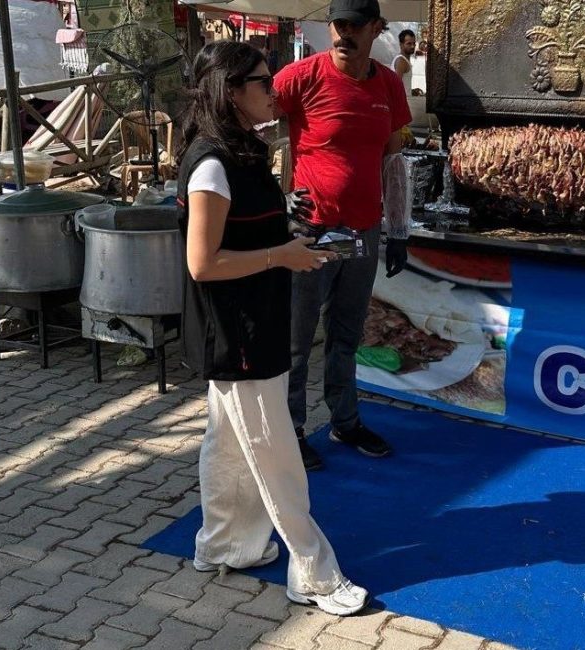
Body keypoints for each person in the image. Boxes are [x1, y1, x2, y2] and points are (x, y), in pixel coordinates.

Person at [177, 40, 367, 616]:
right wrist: (280, 257)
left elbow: (249, 234)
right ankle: (312, 572)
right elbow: (202, 263)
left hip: (255, 316)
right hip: (236, 329)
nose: (275, 89)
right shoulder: (211, 163)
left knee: (231, 442)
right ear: (231, 91)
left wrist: (291, 238)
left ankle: (222, 545)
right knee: (275, 450)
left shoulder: (245, 151)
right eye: (264, 81)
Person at [274, 0, 413, 471]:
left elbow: (393, 161)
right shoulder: (301, 76)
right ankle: (289, 429)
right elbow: (243, 121)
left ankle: (345, 420)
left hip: (363, 230)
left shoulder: (389, 84)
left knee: (347, 334)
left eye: (355, 26)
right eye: (338, 25)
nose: (344, 34)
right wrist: (276, 192)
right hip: (311, 230)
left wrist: (397, 229)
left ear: (376, 28)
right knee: (295, 338)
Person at [392, 29, 415, 96]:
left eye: (414, 43)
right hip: (402, 102)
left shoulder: (403, 60)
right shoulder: (401, 61)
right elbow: (396, 87)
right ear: (401, 44)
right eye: (409, 43)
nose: (412, 46)